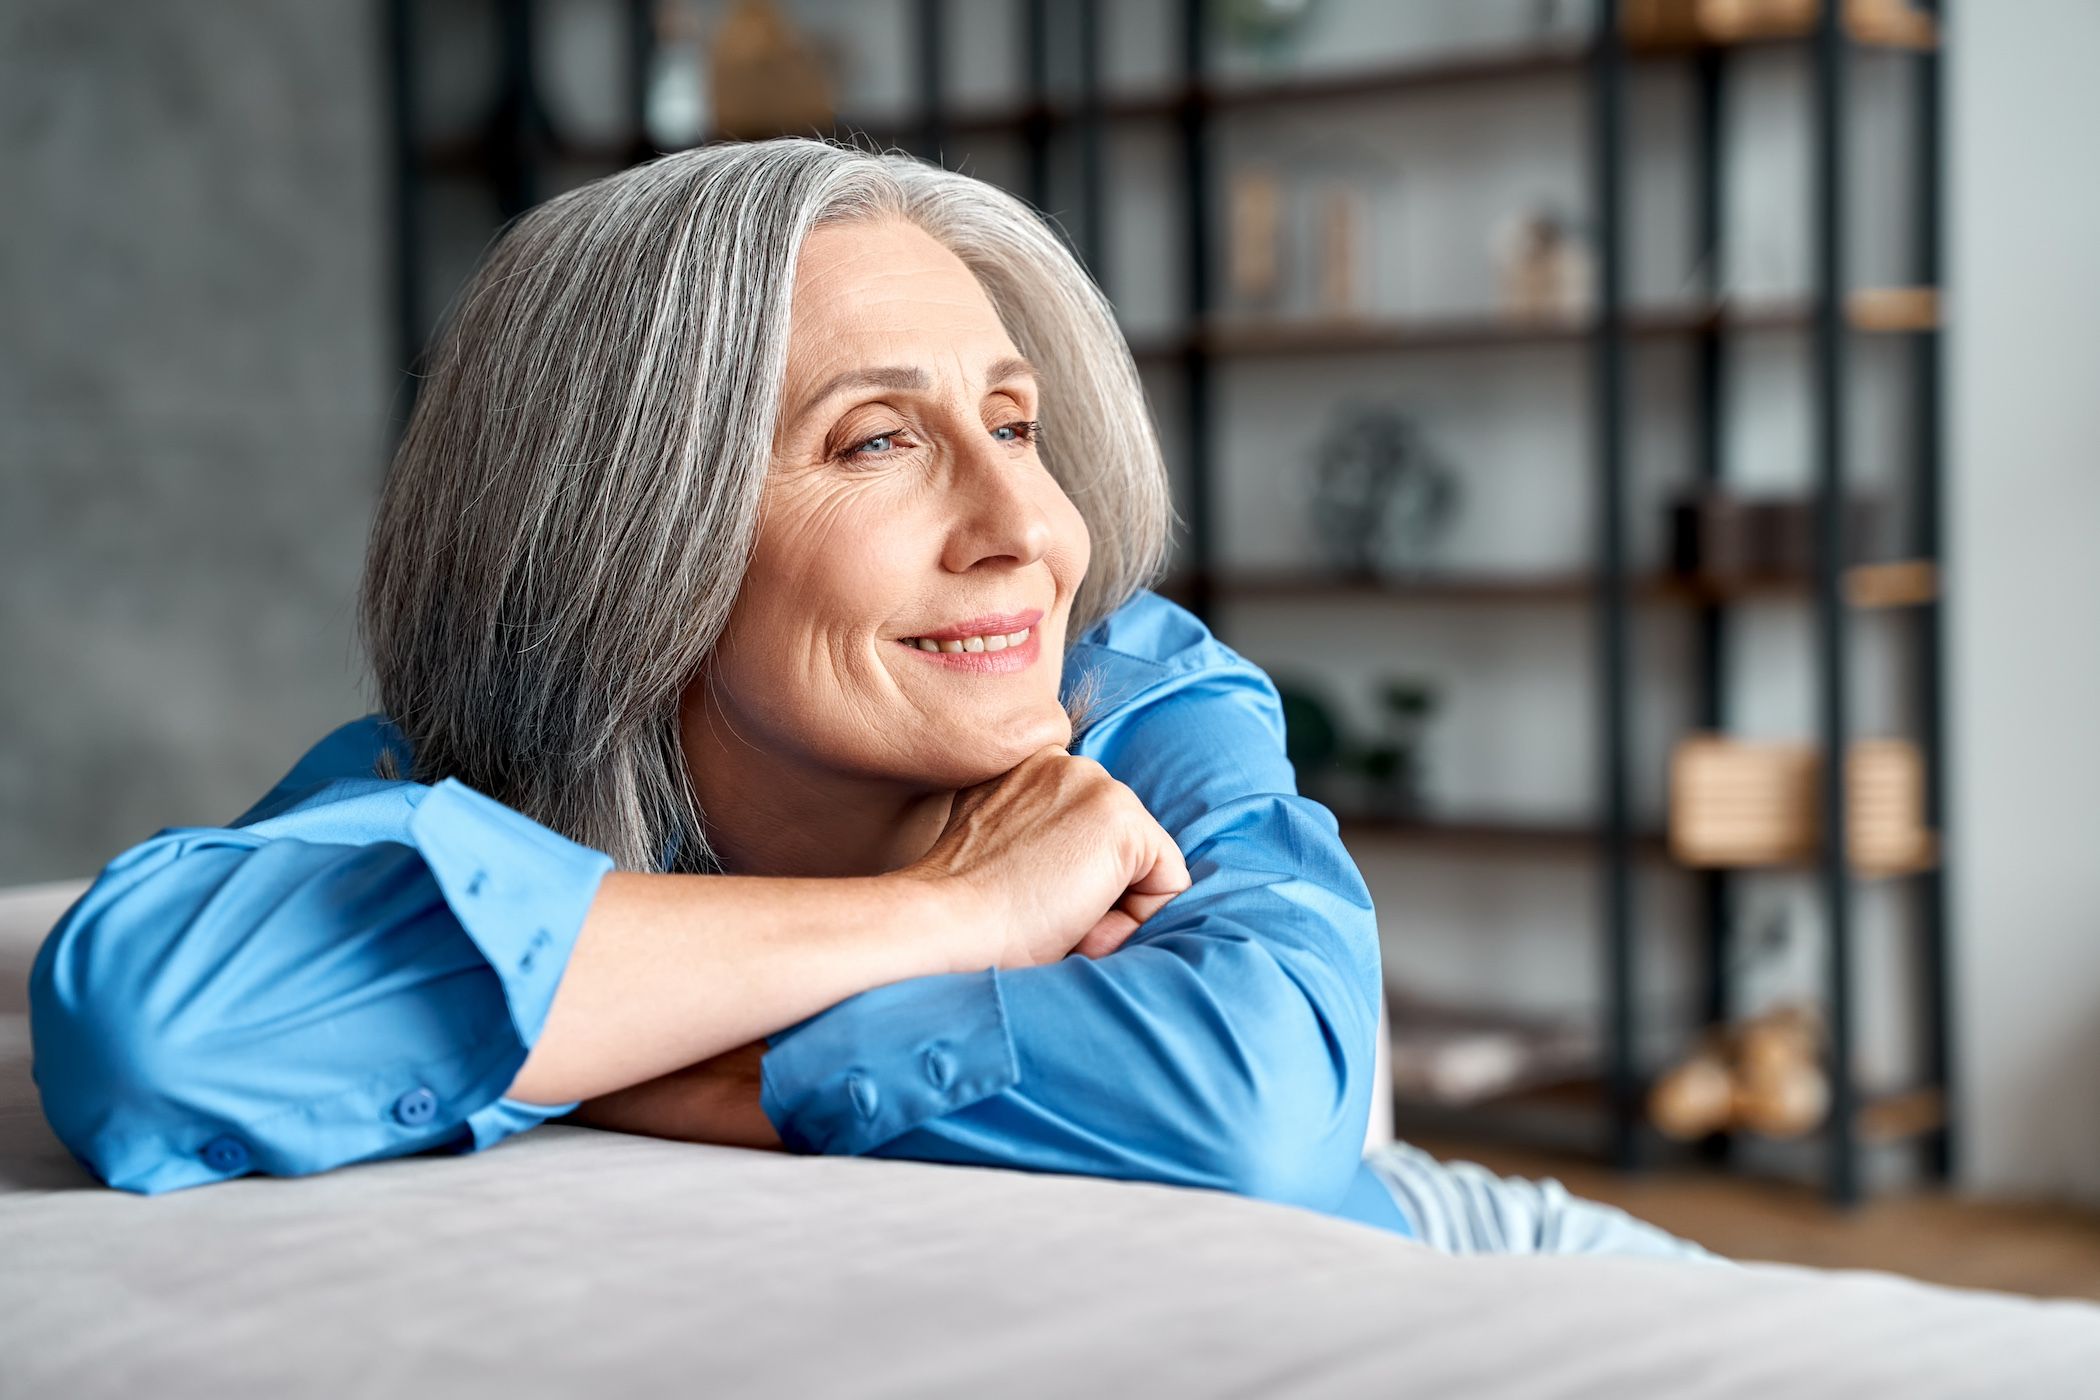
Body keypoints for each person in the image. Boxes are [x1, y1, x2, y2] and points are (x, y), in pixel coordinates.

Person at [27, 136, 1714, 1262]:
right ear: (629, 533)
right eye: (880, 441)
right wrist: (953, 911)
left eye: (1016, 423)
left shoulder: (1137, 695)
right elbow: (161, 1032)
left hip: (1468, 1253)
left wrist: (657, 1058)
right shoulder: (467, 770)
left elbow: (1260, 1112)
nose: (1030, 534)